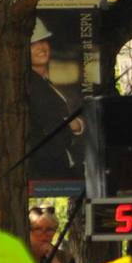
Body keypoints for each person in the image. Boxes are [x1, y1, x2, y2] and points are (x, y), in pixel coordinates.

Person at [25, 19, 83, 180]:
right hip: (46, 168)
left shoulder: (45, 82)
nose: (41, 47)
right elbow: (50, 124)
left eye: (43, 41)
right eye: (33, 44)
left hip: (58, 164)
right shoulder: (31, 85)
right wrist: (75, 125)